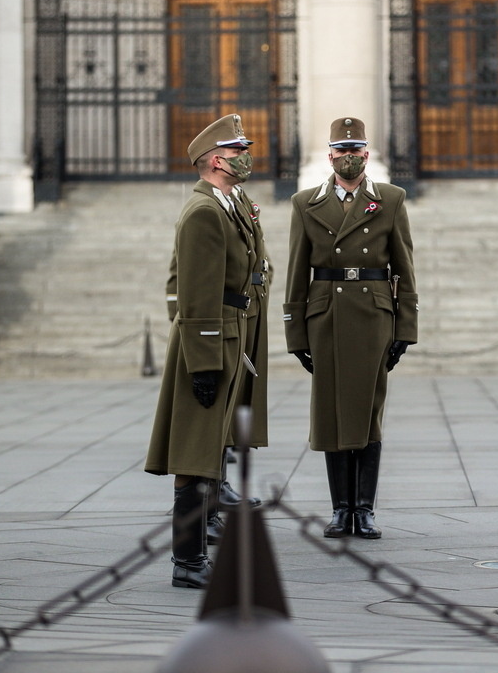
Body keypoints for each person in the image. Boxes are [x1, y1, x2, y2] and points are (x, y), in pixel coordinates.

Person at [283, 117, 418, 539]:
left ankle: (365, 508)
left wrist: (405, 329)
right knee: (331, 413)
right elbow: (295, 271)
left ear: (366, 154)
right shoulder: (305, 202)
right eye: (340, 151)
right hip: (326, 316)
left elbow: (404, 266)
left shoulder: (391, 199)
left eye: (355, 150)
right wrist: (295, 334)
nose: (348, 157)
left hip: (373, 314)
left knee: (368, 411)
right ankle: (341, 509)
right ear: (330, 156)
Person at [146, 114, 262, 588]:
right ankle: (187, 562)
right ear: (217, 160)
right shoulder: (203, 213)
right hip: (209, 339)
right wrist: (205, 361)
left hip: (227, 330)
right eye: (238, 153)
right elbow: (195, 293)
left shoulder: (225, 205)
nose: (245, 159)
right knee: (195, 453)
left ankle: (192, 556)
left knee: (208, 448)